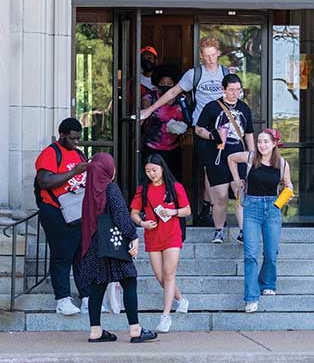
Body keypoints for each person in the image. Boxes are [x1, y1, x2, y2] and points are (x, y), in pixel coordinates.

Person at [140, 37, 230, 227]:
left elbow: (235, 96)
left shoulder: (225, 73)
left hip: (223, 128)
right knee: (208, 169)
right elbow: (172, 92)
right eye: (207, 56)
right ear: (201, 56)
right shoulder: (194, 74)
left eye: (213, 55)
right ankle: (208, 209)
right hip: (202, 128)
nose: (211, 59)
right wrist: (149, 110)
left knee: (218, 171)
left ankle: (208, 207)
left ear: (219, 54)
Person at [78, 152, 158, 343]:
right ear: (108, 169)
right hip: (113, 244)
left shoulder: (89, 190)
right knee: (129, 281)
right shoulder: (110, 188)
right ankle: (135, 329)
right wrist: (133, 236)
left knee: (97, 287)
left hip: (94, 245)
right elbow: (121, 215)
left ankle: (95, 331)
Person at [228, 129, 292, 313]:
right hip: (252, 209)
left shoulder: (281, 163)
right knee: (250, 254)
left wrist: (283, 199)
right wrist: (237, 180)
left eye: (266, 142)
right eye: (259, 142)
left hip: (272, 209)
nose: (262, 145)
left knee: (271, 253)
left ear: (274, 144)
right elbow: (231, 158)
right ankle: (251, 297)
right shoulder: (250, 158)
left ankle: (268, 283)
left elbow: (288, 186)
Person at [34, 118, 90, 316]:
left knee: (81, 255)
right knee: (62, 255)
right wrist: (74, 171)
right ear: (63, 135)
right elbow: (45, 181)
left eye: (78, 139)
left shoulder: (79, 153)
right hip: (55, 210)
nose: (76, 142)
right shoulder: (51, 153)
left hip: (77, 210)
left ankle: (86, 298)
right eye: (73, 138)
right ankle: (63, 299)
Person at [130, 154, 191, 333]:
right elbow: (133, 212)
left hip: (172, 234)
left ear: (162, 168)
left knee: (169, 273)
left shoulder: (175, 186)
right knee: (159, 276)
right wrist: (142, 223)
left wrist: (171, 212)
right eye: (148, 171)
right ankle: (181, 299)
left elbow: (187, 210)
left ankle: (166, 315)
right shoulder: (143, 189)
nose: (151, 174)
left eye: (154, 170)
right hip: (152, 234)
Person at [195, 74, 255, 244]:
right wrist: (211, 136)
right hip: (218, 157)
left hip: (238, 156)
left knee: (240, 193)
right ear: (223, 90)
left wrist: (253, 156)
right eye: (231, 90)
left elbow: (249, 134)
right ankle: (219, 231)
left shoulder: (244, 108)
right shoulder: (212, 107)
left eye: (238, 90)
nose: (235, 93)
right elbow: (198, 129)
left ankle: (243, 231)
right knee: (220, 197)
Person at [141, 65, 186, 179]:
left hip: (173, 149)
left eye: (169, 83)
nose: (166, 85)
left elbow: (188, 118)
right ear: (157, 82)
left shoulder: (181, 99)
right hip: (152, 147)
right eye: (163, 82)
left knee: (171, 180)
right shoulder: (150, 97)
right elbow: (144, 110)